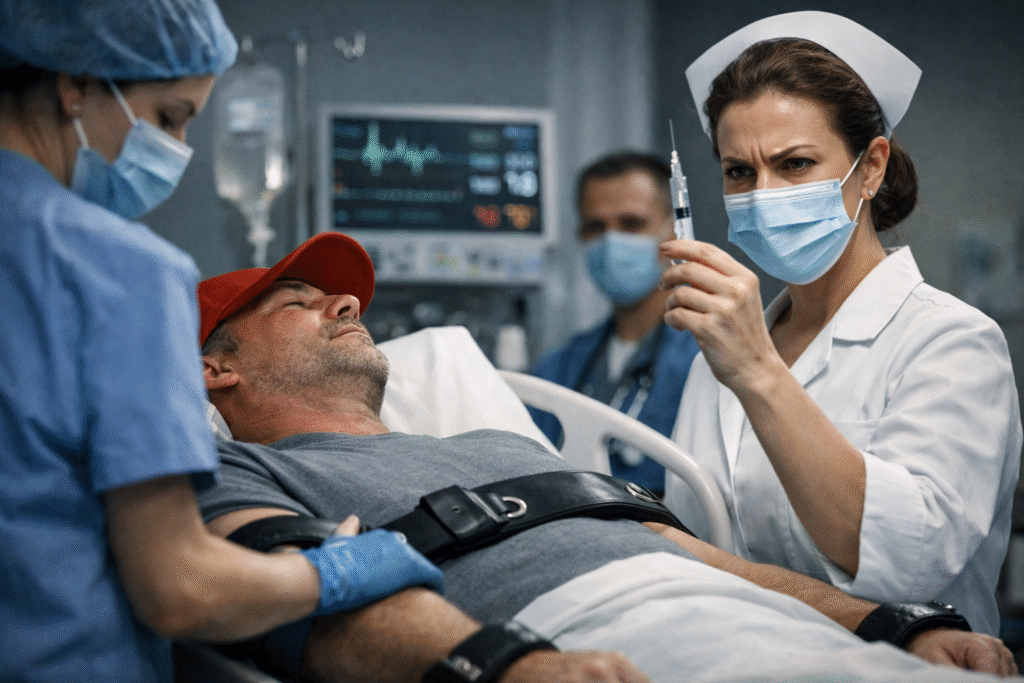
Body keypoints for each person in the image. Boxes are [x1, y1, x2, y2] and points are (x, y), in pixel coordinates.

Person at [195, 232, 1016, 683]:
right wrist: (510, 667)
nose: (347, 302)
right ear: (214, 369)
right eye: (300, 302)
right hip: (589, 643)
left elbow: (693, 555)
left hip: (751, 614)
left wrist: (889, 624)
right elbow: (291, 601)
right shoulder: (238, 475)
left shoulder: (495, 441)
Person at [0, 2, 442, 681]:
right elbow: (181, 586)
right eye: (170, 117)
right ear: (77, 84)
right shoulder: (116, 271)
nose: (176, 148)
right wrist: (334, 572)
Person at [659, 10, 1022, 639]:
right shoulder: (716, 356)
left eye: (794, 164)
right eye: (739, 172)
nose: (762, 195)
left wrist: (756, 372)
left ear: (872, 166)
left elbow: (905, 571)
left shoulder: (951, 343)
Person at [531, 152, 700, 493]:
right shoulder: (556, 371)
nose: (611, 241)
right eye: (596, 227)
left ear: (673, 228)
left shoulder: (709, 359)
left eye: (631, 223)